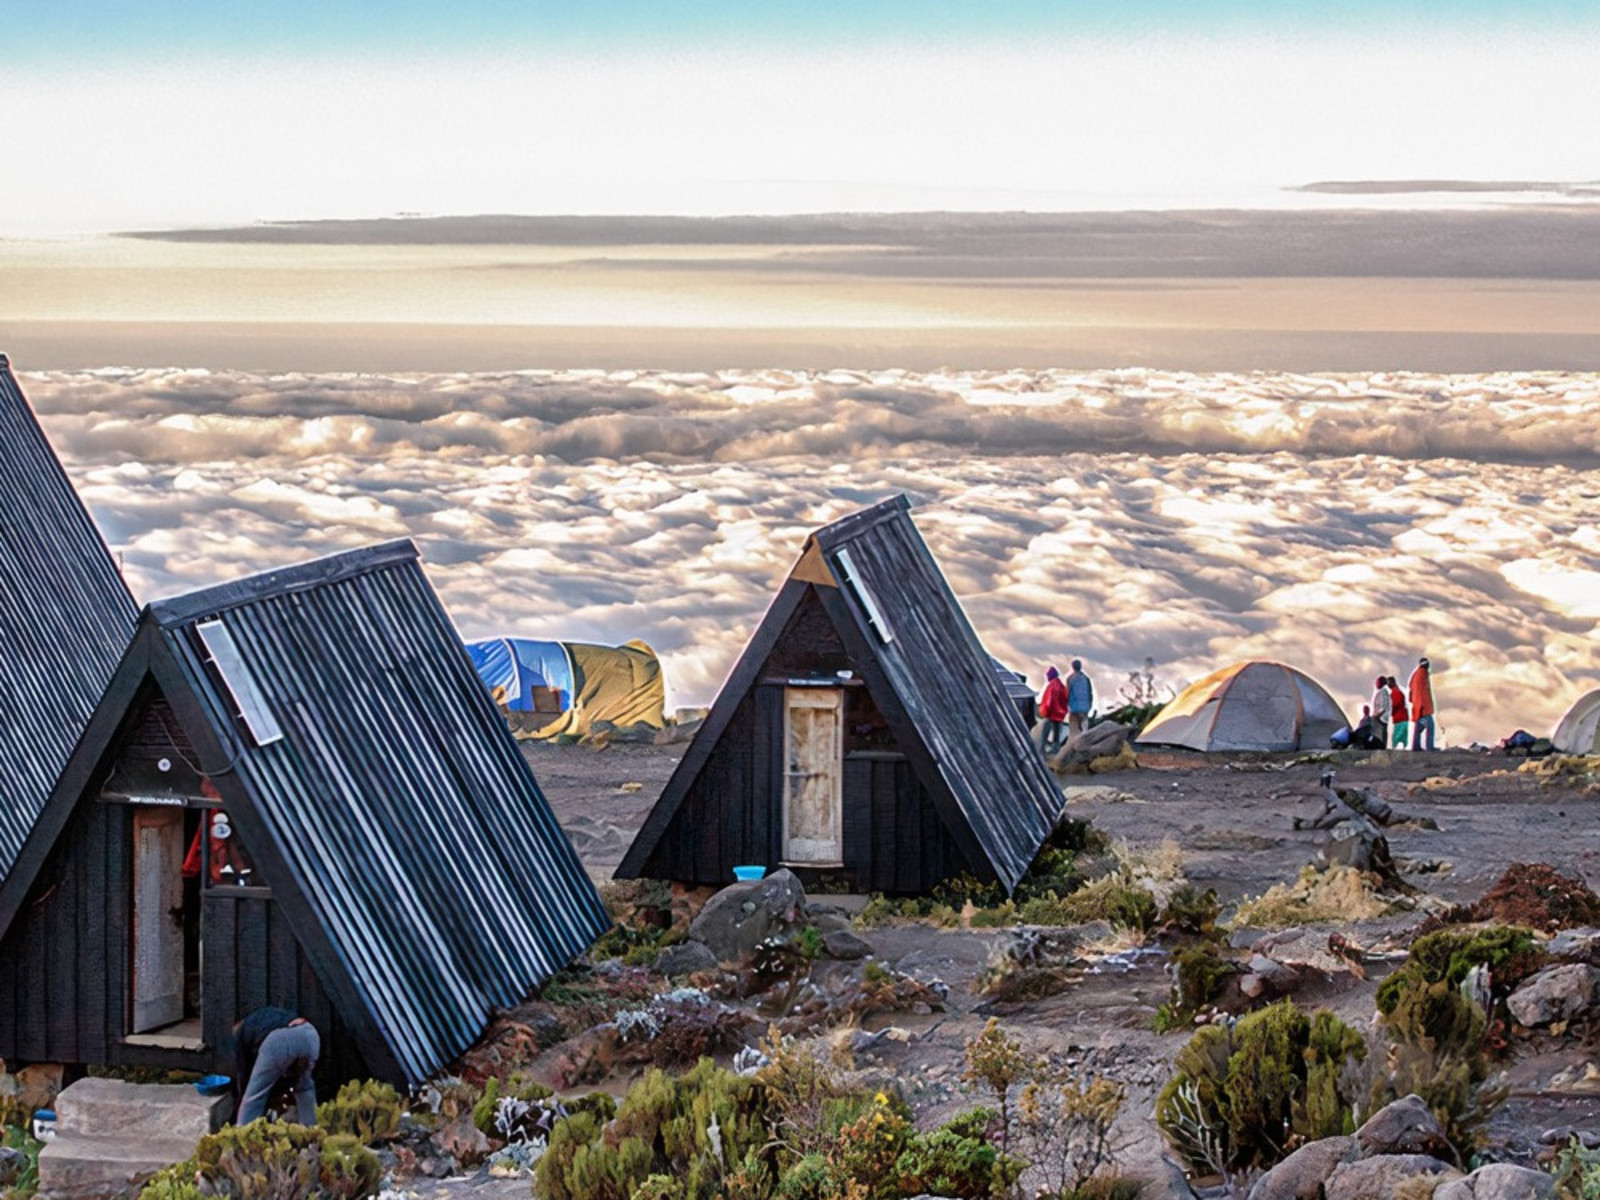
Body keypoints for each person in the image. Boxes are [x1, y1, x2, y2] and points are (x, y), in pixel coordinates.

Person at [233, 1006, 320, 1125]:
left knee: (254, 1096)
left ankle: (242, 1136)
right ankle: (311, 1134)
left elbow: (243, 1071)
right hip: (310, 1035)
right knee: (304, 1087)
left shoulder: (240, 1033)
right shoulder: (263, 1019)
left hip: (284, 1039)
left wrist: (243, 1095)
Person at [1038, 666, 1069, 757]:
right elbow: (1066, 698)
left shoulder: (1051, 686)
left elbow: (1049, 701)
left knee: (1046, 731)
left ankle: (1045, 749)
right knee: (1057, 731)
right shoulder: (1061, 685)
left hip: (1052, 713)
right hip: (1060, 713)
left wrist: (1045, 711)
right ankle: (1056, 747)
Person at [1409, 657, 1436, 751]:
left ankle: (1415, 746)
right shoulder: (1423, 675)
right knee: (1430, 726)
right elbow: (1424, 693)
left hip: (1417, 707)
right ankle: (1430, 747)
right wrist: (1427, 708)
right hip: (1423, 707)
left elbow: (1411, 690)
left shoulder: (1415, 675)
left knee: (1418, 729)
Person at [1066, 659, 1094, 738]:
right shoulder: (1086, 678)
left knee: (1074, 731)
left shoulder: (1070, 679)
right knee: (1084, 729)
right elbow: (1090, 693)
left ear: (1073, 667)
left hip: (1074, 707)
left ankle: (1075, 745)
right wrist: (1090, 705)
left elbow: (1067, 693)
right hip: (1085, 707)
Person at [1387, 676, 1409, 750]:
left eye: (1388, 682)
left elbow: (1395, 704)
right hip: (1404, 717)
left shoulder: (1394, 693)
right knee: (1404, 737)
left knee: (1396, 737)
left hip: (1399, 718)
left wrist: (1390, 712)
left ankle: (1393, 754)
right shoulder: (1399, 691)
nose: (1387, 684)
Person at [1370, 675, 1391, 749]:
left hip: (1381, 718)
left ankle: (1381, 747)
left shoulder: (1383, 692)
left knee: (1381, 734)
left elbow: (1383, 707)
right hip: (1380, 717)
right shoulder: (1381, 692)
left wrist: (1376, 715)